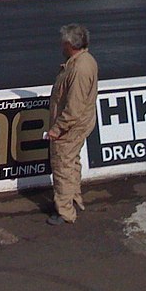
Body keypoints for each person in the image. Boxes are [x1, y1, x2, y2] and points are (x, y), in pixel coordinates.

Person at [46, 23, 99, 226]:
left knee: (62, 166)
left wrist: (56, 129)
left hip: (71, 127)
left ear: (69, 44)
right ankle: (73, 199)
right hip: (82, 123)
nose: (61, 46)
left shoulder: (78, 69)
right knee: (72, 162)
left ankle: (65, 211)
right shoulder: (86, 60)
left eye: (63, 43)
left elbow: (73, 108)